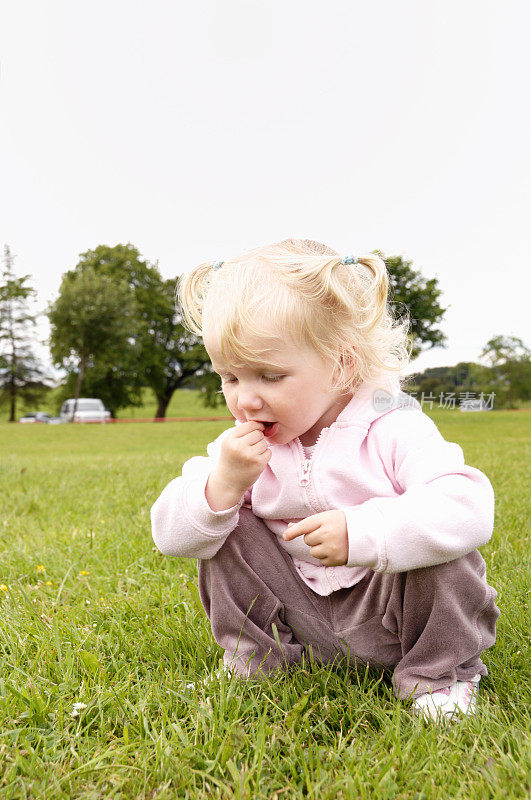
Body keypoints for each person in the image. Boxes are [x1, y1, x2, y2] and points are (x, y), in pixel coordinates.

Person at [151, 238, 499, 723]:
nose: (245, 400)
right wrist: (221, 488)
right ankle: (257, 662)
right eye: (230, 377)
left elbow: (468, 506)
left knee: (443, 550)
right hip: (302, 617)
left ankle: (439, 679)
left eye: (268, 376)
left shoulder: (392, 427)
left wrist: (366, 533)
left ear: (342, 365)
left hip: (390, 616)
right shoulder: (243, 448)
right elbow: (171, 537)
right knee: (228, 527)